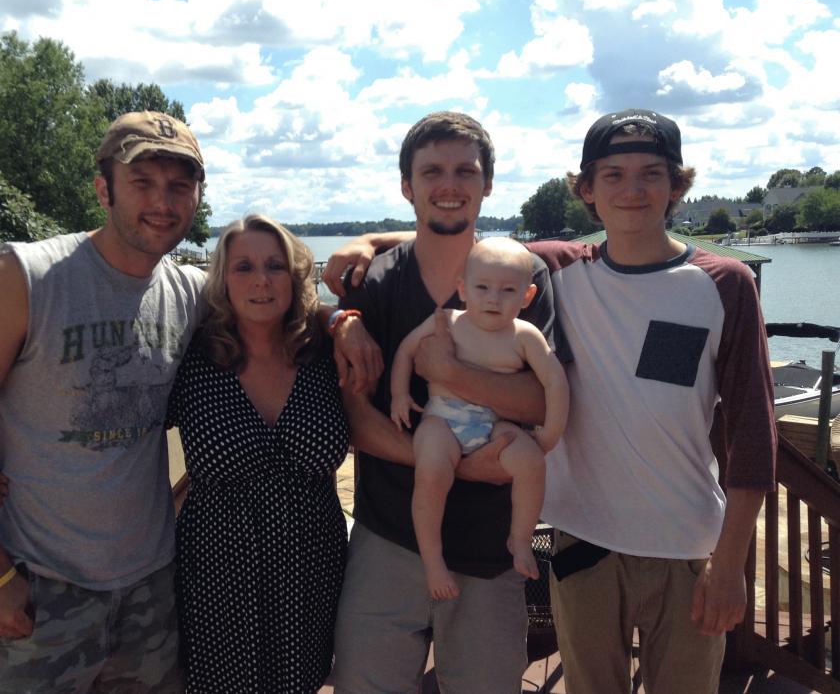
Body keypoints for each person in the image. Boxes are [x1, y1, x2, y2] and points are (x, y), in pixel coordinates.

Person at [0, 111, 377, 693]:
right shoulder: (28, 277)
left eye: (180, 185)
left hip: (154, 587)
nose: (163, 201)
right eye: (143, 182)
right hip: (44, 587)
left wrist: (343, 321)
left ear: (197, 197)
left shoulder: (189, 294)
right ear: (103, 188)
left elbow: (274, 305)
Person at [326, 108, 778, 694]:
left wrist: (732, 563)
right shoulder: (561, 268)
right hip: (580, 544)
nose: (633, 190)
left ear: (677, 185)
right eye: (613, 175)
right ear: (587, 189)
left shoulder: (718, 282)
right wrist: (354, 275)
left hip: (684, 548)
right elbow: (453, 235)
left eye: (651, 173)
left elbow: (754, 433)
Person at [328, 111, 560, 693]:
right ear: (407, 186)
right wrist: (451, 462)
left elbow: (540, 401)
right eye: (431, 171)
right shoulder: (374, 282)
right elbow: (357, 417)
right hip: (387, 533)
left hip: (492, 542)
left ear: (488, 184)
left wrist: (451, 372)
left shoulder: (521, 274)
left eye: (465, 171)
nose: (449, 185)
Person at [166, 214, 349, 694]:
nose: (262, 280)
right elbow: (122, 428)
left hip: (312, 565)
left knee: (300, 682)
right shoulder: (192, 358)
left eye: (275, 265)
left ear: (295, 275)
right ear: (223, 280)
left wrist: (339, 318)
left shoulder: (325, 355)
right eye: (244, 267)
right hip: (215, 568)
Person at [390, 236, 568, 599]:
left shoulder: (526, 336)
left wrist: (550, 434)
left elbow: (556, 382)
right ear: (463, 289)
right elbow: (406, 350)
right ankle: (433, 560)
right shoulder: (448, 321)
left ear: (527, 296)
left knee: (532, 463)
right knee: (431, 471)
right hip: (442, 419)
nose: (493, 299)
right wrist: (399, 395)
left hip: (494, 423)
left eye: (507, 290)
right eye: (482, 287)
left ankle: (520, 539)